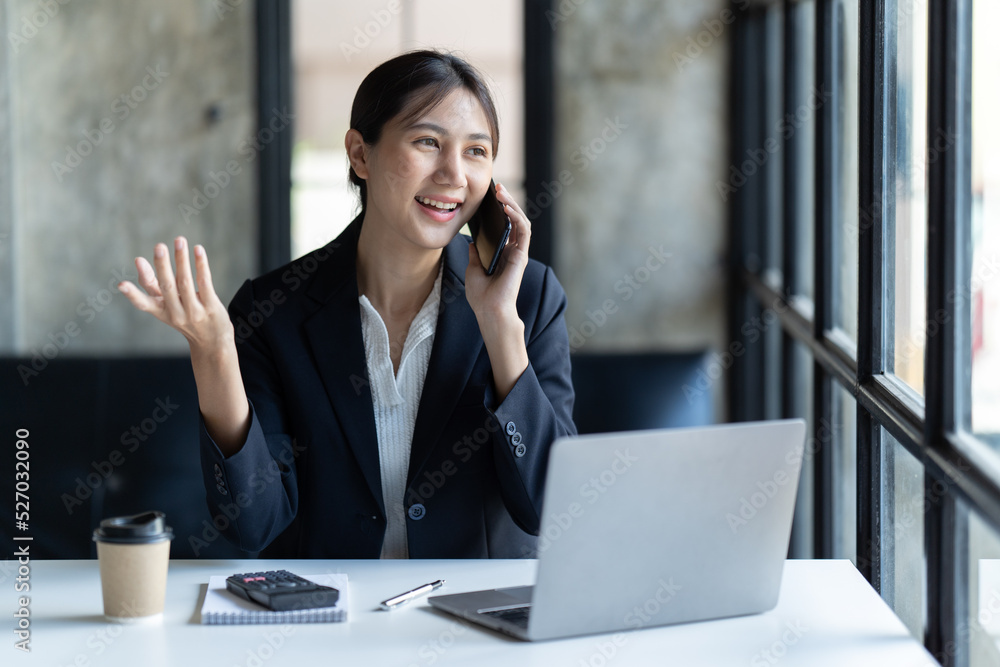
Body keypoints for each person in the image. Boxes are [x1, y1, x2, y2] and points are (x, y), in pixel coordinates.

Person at [119, 50, 576, 558]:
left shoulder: (529, 299)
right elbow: (254, 525)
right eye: (427, 142)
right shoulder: (272, 310)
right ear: (360, 154)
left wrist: (498, 325)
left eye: (476, 151)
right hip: (330, 617)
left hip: (472, 620)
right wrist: (214, 355)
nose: (454, 174)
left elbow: (550, 508)